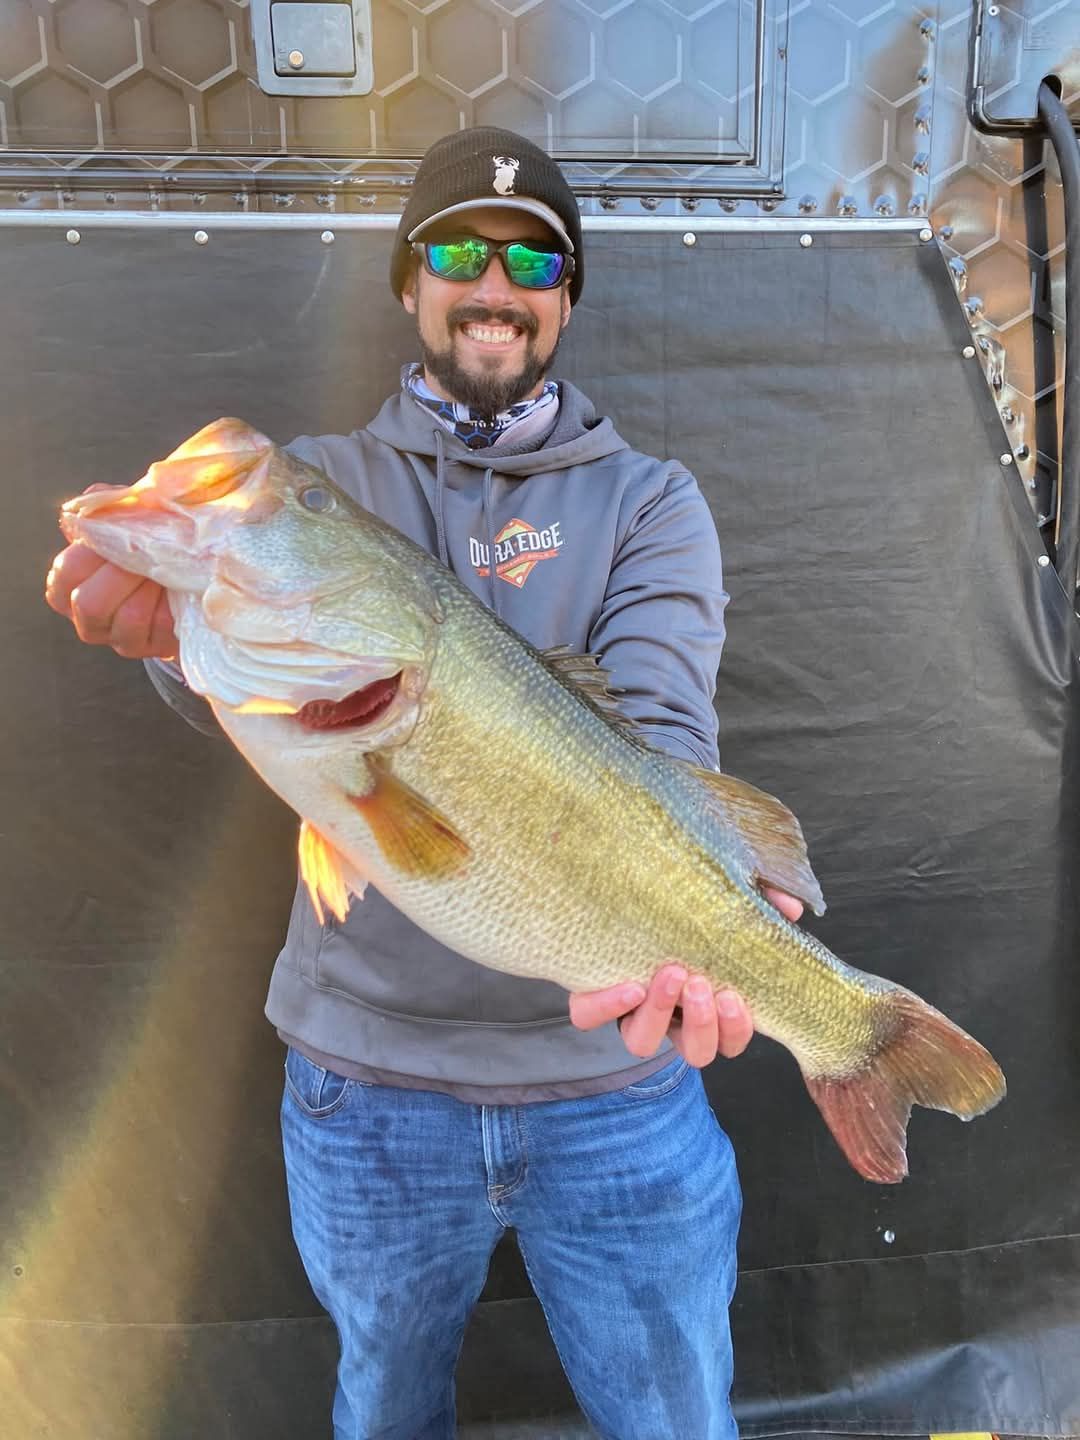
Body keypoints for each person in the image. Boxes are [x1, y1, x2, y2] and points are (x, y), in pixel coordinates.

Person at [46, 127, 802, 1440]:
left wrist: (731, 914)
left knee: (676, 1417)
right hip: (365, 1091)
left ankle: (845, 1028)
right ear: (411, 284)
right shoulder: (326, 480)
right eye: (458, 253)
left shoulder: (649, 500)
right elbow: (248, 677)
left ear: (566, 298)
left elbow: (665, 729)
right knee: (384, 1408)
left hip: (616, 1087)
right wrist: (170, 634)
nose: (494, 285)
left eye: (533, 261)